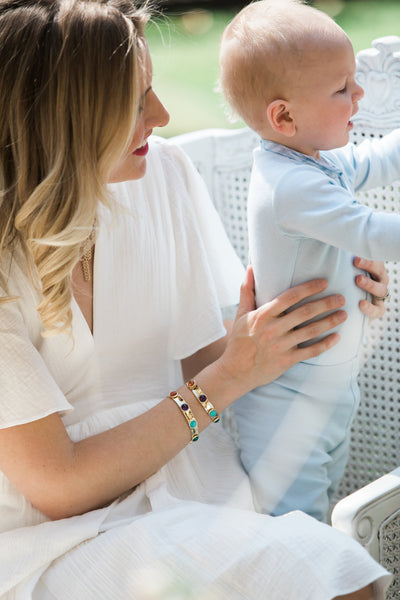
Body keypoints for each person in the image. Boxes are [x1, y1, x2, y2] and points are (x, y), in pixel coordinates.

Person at [0, 0, 391, 598]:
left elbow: (215, 353)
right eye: (135, 102)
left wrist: (338, 293)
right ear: (65, 119)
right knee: (322, 567)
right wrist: (229, 376)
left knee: (322, 566)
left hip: (197, 487)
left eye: (153, 89)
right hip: (55, 539)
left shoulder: (163, 174)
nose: (161, 114)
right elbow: (59, 487)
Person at [219, 0, 400, 523]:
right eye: (342, 88)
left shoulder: (309, 160)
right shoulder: (290, 187)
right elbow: (368, 229)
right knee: (297, 527)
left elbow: (374, 160)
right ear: (284, 116)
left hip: (329, 385)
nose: (358, 95)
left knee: (323, 508)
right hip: (286, 401)